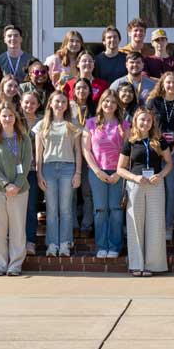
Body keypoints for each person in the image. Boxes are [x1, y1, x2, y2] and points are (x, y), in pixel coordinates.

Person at [117, 107, 173, 276]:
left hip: (155, 185)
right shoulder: (130, 142)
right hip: (136, 185)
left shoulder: (159, 140)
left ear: (152, 122)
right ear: (136, 121)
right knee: (135, 224)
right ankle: (137, 264)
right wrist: (134, 178)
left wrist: (161, 175)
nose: (145, 123)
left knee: (155, 224)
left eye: (148, 120)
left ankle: (152, 265)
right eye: (142, 120)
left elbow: (169, 163)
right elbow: (120, 169)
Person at [0, 101, 33, 276]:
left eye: (10, 115)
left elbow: (27, 162)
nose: (7, 118)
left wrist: (17, 185)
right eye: (4, 115)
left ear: (15, 117)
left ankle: (15, 265)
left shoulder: (24, 138)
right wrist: (5, 184)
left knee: (18, 227)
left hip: (20, 189)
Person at [34, 91, 82, 257]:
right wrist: (39, 174)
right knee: (51, 209)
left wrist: (78, 173)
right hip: (48, 168)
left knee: (65, 208)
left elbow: (78, 151)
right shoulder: (42, 125)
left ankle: (65, 243)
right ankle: (52, 244)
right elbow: (38, 153)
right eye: (57, 101)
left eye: (63, 101)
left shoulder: (73, 124)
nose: (60, 104)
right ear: (51, 103)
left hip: (68, 168)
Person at [83, 90, 129, 259]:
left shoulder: (124, 125)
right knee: (101, 210)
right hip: (97, 172)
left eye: (112, 102)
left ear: (117, 105)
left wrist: (119, 172)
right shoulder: (91, 123)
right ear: (101, 103)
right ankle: (102, 245)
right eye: (106, 101)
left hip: (118, 171)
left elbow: (128, 150)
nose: (109, 105)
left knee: (116, 210)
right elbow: (86, 150)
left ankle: (115, 246)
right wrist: (96, 170)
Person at [147, 72, 174, 238]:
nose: (171, 86)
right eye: (168, 83)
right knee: (155, 189)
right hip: (156, 152)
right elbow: (148, 126)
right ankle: (154, 225)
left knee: (171, 191)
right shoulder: (153, 102)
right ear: (162, 84)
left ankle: (168, 226)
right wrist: (160, 147)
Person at [69, 77, 96, 235]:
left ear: (89, 91)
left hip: (89, 155)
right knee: (71, 193)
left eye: (85, 88)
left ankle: (87, 224)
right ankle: (73, 224)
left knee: (87, 192)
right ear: (73, 91)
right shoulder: (68, 107)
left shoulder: (95, 108)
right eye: (78, 88)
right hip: (70, 154)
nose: (81, 91)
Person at [20, 91, 42, 256]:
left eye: (33, 103)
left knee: (31, 207)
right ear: (21, 103)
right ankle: (16, 241)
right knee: (15, 208)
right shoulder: (14, 120)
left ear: (38, 105)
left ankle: (30, 241)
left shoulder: (42, 121)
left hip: (34, 170)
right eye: (26, 102)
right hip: (15, 171)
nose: (29, 106)